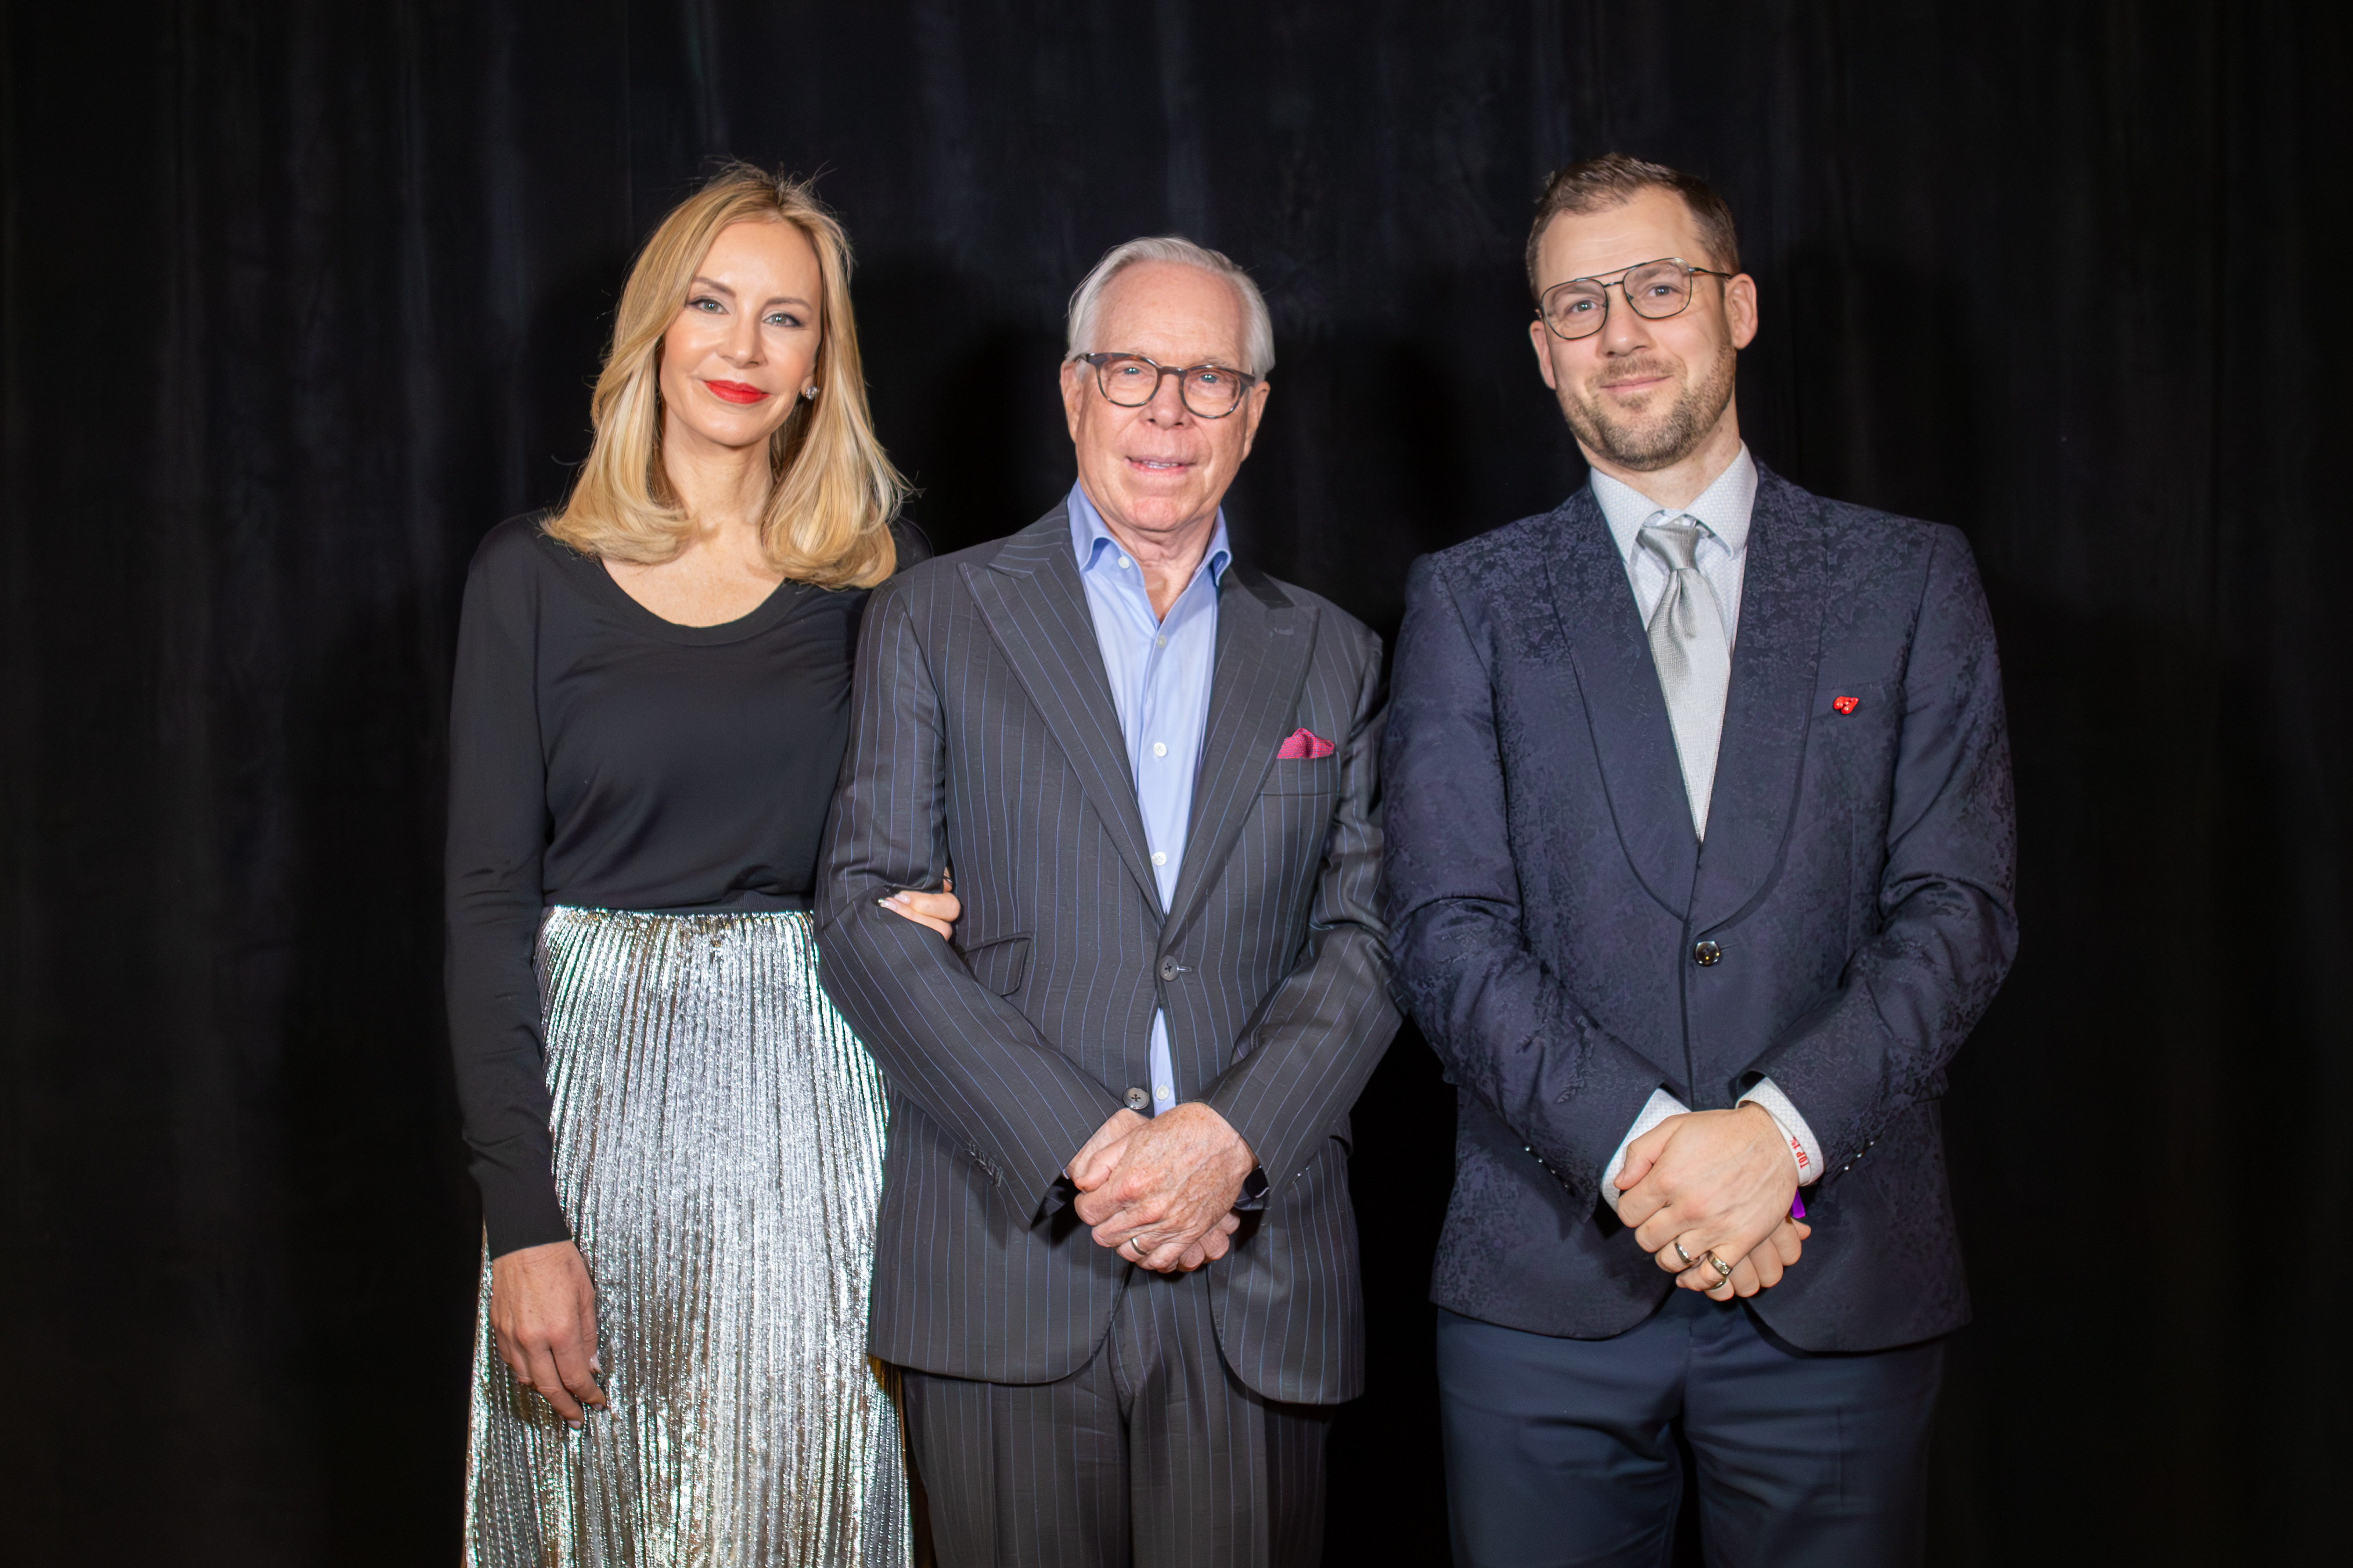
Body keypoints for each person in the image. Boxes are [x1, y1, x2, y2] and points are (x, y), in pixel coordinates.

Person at [1382, 153, 2019, 1565]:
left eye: (1657, 288)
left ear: (1736, 306)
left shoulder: (1907, 581)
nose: (1619, 331)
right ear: (1542, 349)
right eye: (1579, 303)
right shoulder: (1468, 601)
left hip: (1839, 1276)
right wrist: (1648, 1155)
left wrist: (1773, 1144)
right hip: (1544, 1292)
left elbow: (1957, 909)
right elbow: (1443, 924)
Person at [816, 236, 1400, 1567]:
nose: (1167, 412)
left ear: (1253, 413)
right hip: (1004, 1260)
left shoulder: (1338, 654)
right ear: (1074, 390)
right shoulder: (933, 616)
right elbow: (863, 915)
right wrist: (1090, 1146)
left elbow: (1370, 940)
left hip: (1252, 1268)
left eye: (1208, 379)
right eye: (1132, 369)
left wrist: (1223, 1144)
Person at [445, 164, 958, 1567]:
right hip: (590, 1117)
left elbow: (950, 832)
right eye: (711, 305)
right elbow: (486, 909)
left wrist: (940, 902)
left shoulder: (882, 576)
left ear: (820, 365)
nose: (743, 346)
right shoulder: (527, 577)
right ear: (654, 332)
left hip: (819, 1110)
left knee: (799, 1512)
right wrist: (521, 1224)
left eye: (785, 318)